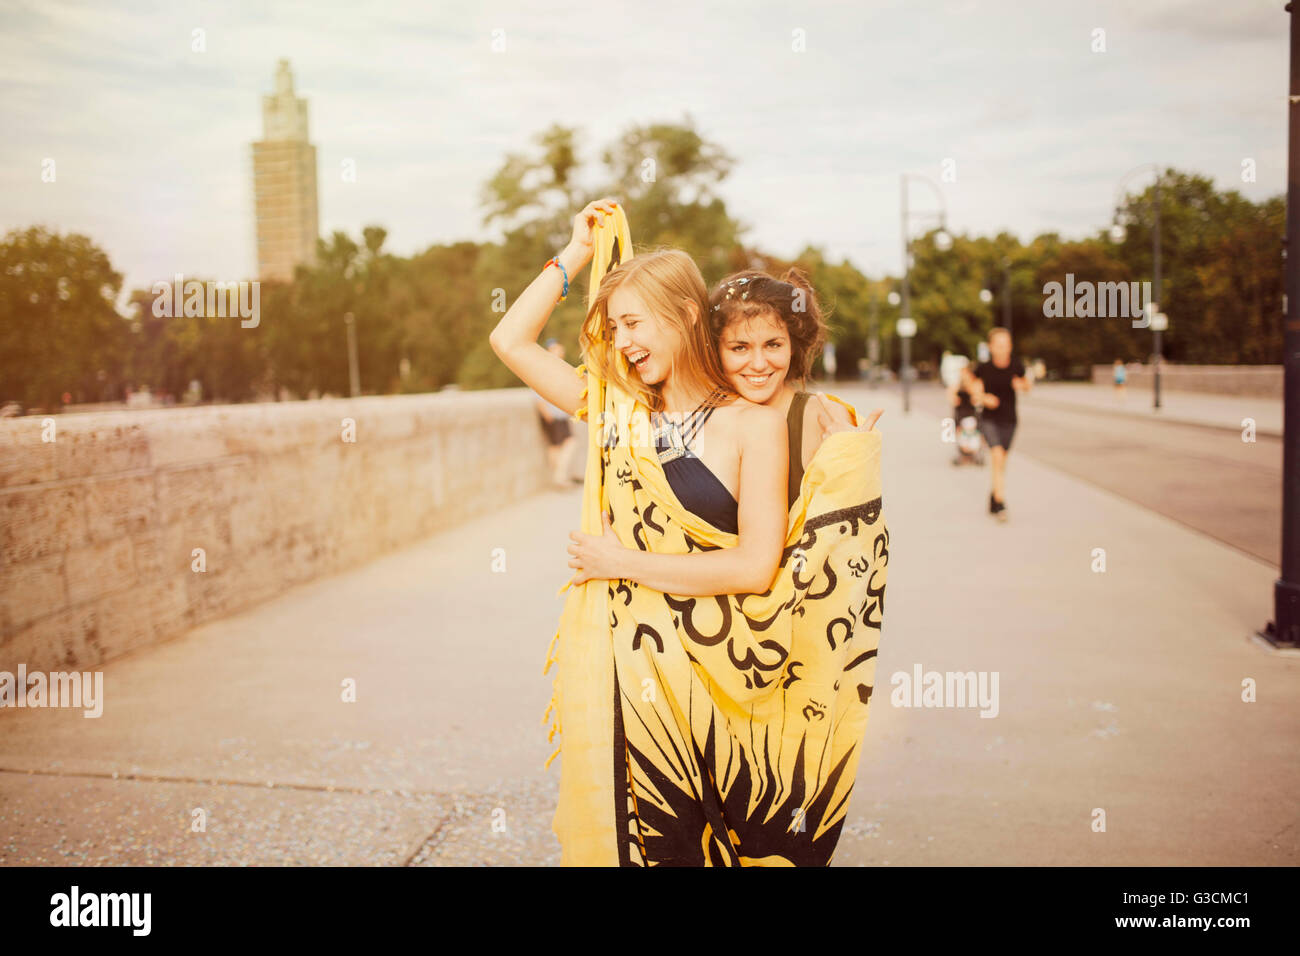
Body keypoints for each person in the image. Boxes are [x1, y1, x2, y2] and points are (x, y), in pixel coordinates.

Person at [970, 327, 1030, 520]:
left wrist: (1021, 385)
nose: (1003, 349)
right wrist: (985, 398)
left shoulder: (1016, 365)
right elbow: (974, 391)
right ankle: (1001, 504)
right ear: (991, 347)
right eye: (999, 345)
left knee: (1001, 462)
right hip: (989, 419)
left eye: (1006, 345)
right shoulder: (984, 368)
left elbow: (1027, 385)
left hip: (1010, 420)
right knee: (996, 456)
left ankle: (994, 496)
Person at [535, 339, 579, 487]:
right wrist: (546, 413)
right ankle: (559, 477)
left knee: (556, 446)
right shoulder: (545, 369)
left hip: (559, 414)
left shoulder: (555, 368)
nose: (561, 353)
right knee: (567, 444)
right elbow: (538, 393)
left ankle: (558, 477)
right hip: (554, 415)